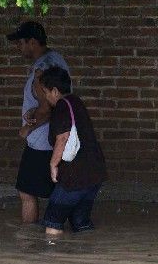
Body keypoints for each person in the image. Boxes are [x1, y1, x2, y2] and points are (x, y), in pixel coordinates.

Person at [8, 21, 69, 223]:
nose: (18, 48)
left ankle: (29, 240)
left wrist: (27, 128)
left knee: (26, 192)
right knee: (54, 190)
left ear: (32, 42)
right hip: (56, 136)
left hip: (41, 142)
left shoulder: (42, 70)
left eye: (20, 43)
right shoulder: (57, 59)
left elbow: (46, 108)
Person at [38, 66, 107, 235]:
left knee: (53, 222)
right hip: (95, 174)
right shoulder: (76, 102)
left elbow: (63, 137)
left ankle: (49, 259)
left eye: (45, 92)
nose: (46, 97)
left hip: (75, 176)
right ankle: (86, 258)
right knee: (80, 222)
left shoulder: (62, 106)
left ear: (54, 91)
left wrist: (53, 164)